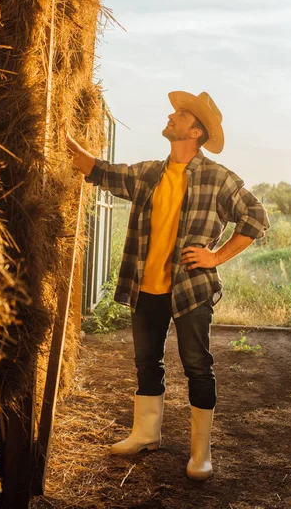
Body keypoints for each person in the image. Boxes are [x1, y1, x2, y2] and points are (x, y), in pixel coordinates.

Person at [65, 90, 270, 480]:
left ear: (196, 130)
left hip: (191, 289)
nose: (170, 115)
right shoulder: (149, 173)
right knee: (146, 363)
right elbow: (104, 171)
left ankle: (200, 454)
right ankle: (145, 434)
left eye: (179, 115)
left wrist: (215, 257)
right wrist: (68, 144)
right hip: (146, 287)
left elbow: (256, 219)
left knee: (197, 366)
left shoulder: (218, 178)